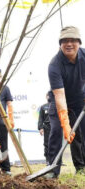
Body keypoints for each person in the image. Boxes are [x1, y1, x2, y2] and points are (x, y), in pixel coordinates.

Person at [46, 26, 85, 179]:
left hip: (78, 100)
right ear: (60, 44)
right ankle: (53, 170)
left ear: (79, 42)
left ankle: (81, 167)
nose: (69, 44)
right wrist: (65, 122)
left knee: (81, 133)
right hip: (58, 102)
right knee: (56, 131)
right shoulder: (54, 64)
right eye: (65, 41)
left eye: (72, 40)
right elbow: (60, 96)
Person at [38, 93, 51, 165]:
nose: (49, 97)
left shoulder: (56, 105)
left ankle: (58, 160)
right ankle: (48, 160)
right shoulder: (43, 107)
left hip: (55, 127)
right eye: (48, 95)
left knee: (57, 143)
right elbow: (40, 118)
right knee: (47, 144)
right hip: (47, 127)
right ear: (46, 97)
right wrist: (40, 128)